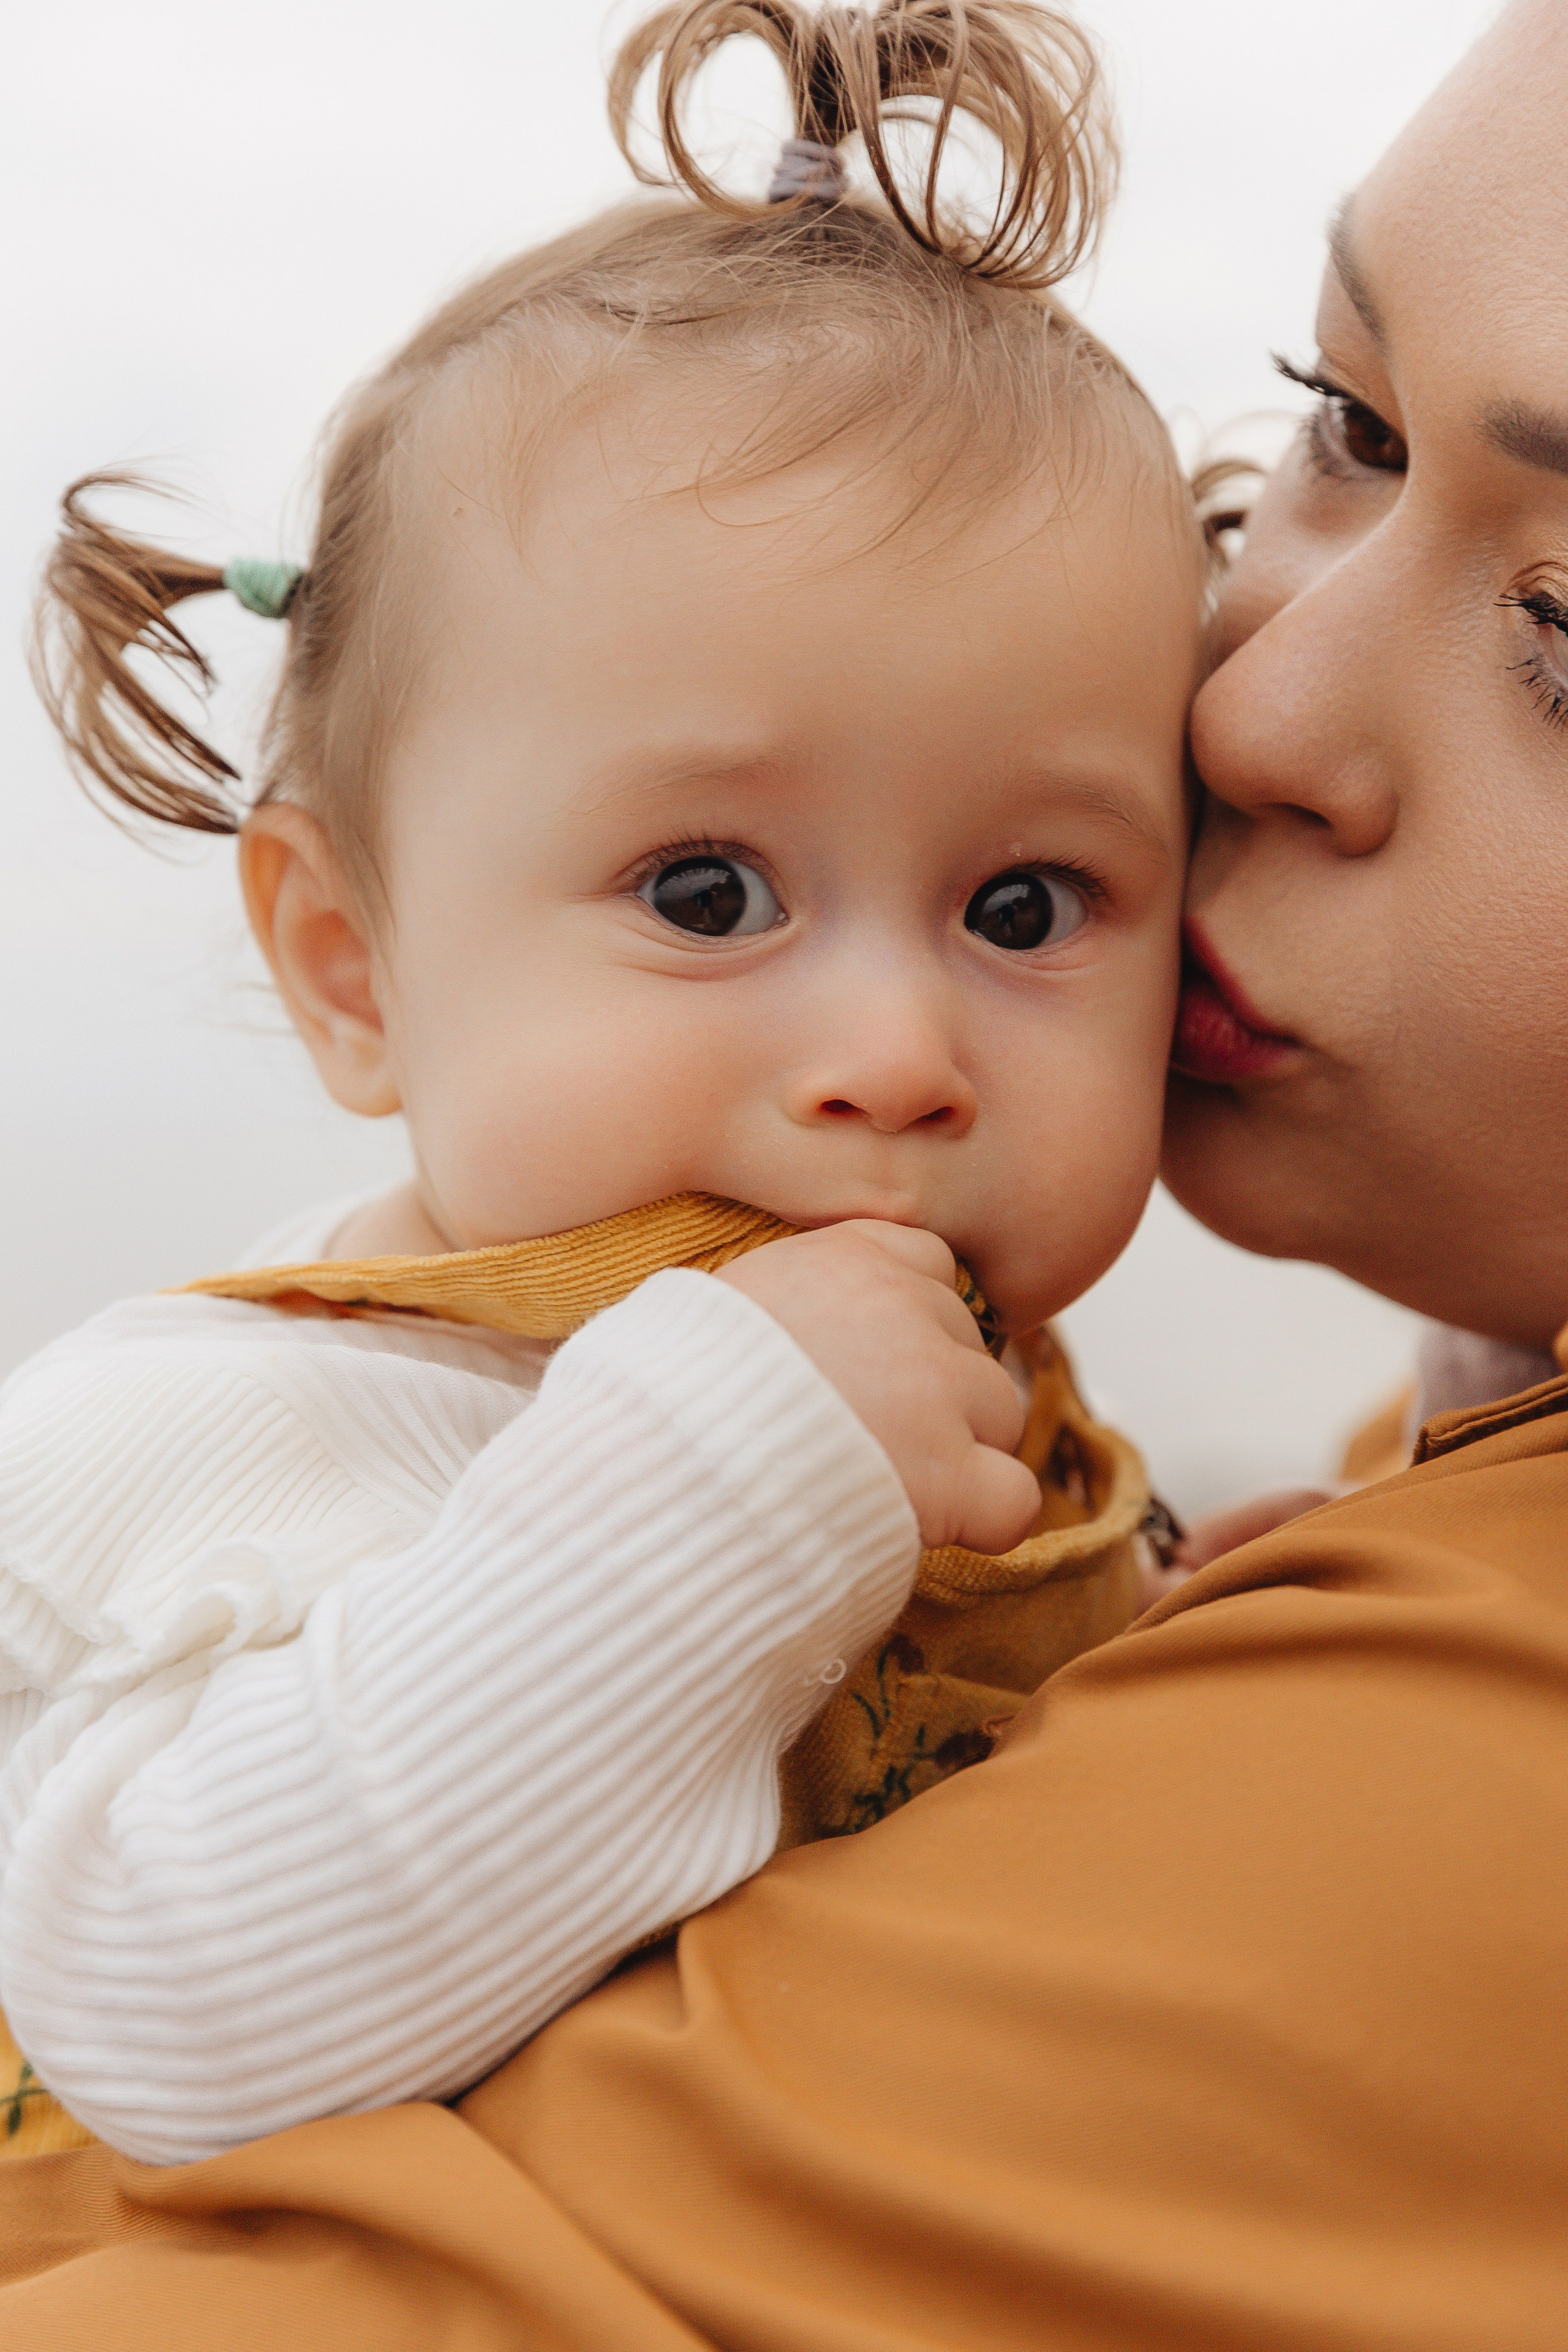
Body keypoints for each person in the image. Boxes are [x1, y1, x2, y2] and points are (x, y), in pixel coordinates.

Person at [6, 0, 1565, 2340]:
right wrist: (744, 1512)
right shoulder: (244, 1433)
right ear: (348, 964)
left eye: (1025, 909)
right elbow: (172, 2024)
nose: (893, 1054)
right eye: (709, 898)